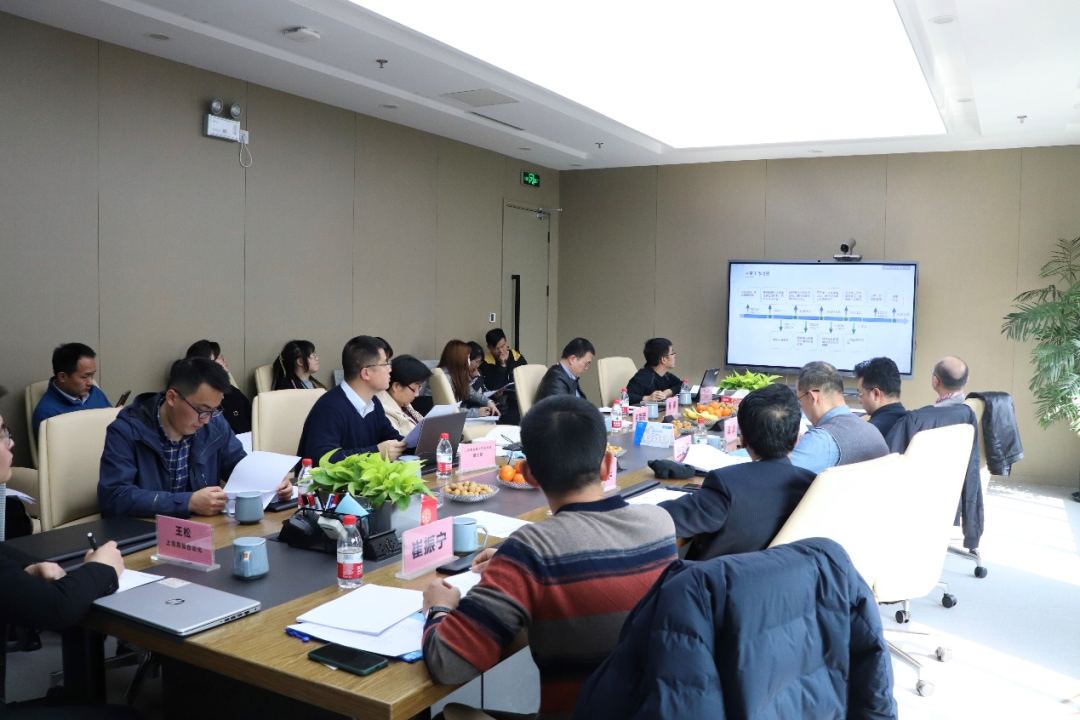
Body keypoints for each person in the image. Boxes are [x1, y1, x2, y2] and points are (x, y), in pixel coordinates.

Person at [421, 396, 677, 719]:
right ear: (607, 465)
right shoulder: (660, 523)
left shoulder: (530, 551)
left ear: (528, 474)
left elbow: (449, 664)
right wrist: (510, 564)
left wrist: (438, 608)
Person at [98, 358, 291, 518]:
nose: (206, 420)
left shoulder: (214, 424)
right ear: (172, 397)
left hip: (202, 529)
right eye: (201, 410)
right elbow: (114, 497)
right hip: (146, 532)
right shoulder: (126, 431)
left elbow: (239, 468)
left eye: (213, 411)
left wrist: (271, 482)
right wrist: (187, 502)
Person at [659, 384, 816, 560]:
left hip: (715, 576)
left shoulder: (726, 484)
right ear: (796, 440)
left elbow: (663, 521)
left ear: (743, 439)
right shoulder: (813, 485)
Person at [296, 336, 406, 463]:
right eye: (385, 364)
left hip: (364, 475)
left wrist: (418, 441)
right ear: (366, 373)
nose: (390, 369)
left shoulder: (373, 403)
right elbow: (321, 459)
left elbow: (393, 439)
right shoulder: (329, 407)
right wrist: (375, 453)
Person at [788, 361, 889, 475]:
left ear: (812, 397)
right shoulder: (873, 431)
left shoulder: (820, 440)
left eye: (799, 399)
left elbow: (778, 475)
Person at [32, 343, 112, 438]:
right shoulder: (47, 412)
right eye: (85, 376)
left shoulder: (95, 392)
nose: (90, 382)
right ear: (62, 377)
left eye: (92, 375)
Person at [184, 340, 251, 435]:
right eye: (217, 358)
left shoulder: (232, 391)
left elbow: (252, 418)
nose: (223, 360)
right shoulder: (197, 402)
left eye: (220, 356)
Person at [424, 340, 499, 418]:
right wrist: (477, 412)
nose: (469, 362)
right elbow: (449, 410)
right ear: (460, 359)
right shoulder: (443, 378)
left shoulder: (457, 374)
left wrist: (488, 402)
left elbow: (470, 393)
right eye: (468, 358)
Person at [375, 355, 432, 438]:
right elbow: (397, 442)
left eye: (419, 388)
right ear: (396, 386)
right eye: (414, 389)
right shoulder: (383, 411)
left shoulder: (403, 404)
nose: (417, 394)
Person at [480, 328, 526, 423]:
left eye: (503, 346)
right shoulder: (486, 363)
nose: (501, 351)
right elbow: (491, 386)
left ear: (506, 341)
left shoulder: (517, 358)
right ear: (489, 347)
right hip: (497, 403)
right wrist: (502, 365)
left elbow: (525, 378)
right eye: (497, 349)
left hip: (516, 400)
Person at [854, 356, 907, 438]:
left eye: (860, 395)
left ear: (876, 394)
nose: (860, 401)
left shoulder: (868, 432)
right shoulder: (914, 424)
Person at [534, 337, 595, 403]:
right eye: (586, 363)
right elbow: (564, 408)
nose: (586, 368)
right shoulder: (555, 379)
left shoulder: (569, 376)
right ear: (572, 359)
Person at [625, 337, 683, 404]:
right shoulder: (643, 377)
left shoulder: (665, 375)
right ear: (663, 359)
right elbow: (627, 396)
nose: (674, 356)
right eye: (672, 353)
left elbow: (682, 385)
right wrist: (648, 398)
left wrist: (666, 393)